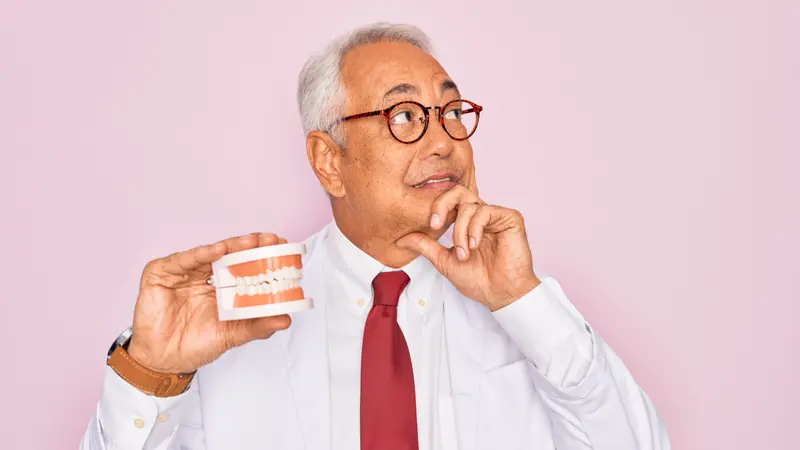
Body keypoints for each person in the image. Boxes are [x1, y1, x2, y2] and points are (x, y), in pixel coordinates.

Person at [80, 22, 670, 450]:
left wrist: (524, 300)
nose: (444, 142)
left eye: (452, 112)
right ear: (328, 161)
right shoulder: (239, 312)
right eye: (405, 116)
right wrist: (150, 374)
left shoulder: (519, 302)